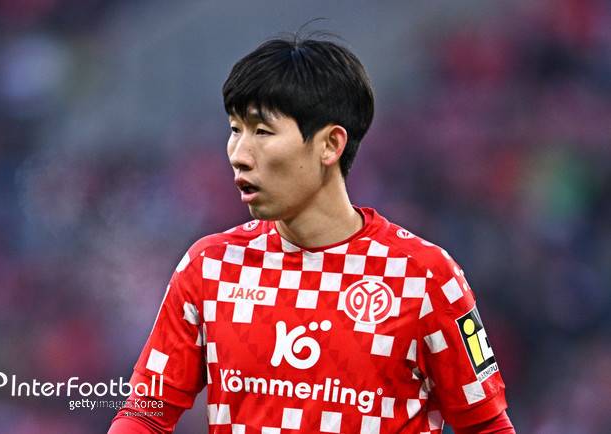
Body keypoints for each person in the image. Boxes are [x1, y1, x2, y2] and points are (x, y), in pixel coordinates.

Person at [108, 34, 515, 433]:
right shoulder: (210, 268)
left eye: (262, 131)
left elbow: (486, 425)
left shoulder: (424, 276)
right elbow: (145, 414)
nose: (238, 154)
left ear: (330, 145)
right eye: (235, 129)